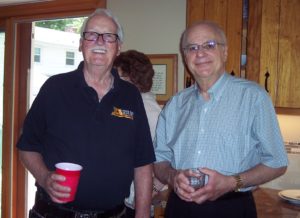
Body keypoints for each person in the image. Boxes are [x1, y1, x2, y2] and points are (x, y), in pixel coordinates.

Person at [16, 8, 155, 218]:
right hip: (54, 213)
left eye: (109, 36)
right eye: (91, 35)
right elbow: (26, 146)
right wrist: (44, 177)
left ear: (118, 47)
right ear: (81, 43)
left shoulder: (131, 95)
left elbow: (143, 162)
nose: (99, 42)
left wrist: (143, 213)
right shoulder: (54, 88)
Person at [153, 20, 288, 218]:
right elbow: (160, 159)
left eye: (209, 45)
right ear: (185, 57)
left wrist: (232, 182)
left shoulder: (253, 97)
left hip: (232, 208)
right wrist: (173, 177)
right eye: (192, 48)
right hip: (179, 208)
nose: (200, 54)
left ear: (225, 52)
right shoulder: (174, 105)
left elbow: (277, 162)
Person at [114, 50, 166, 218]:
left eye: (118, 76)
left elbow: (166, 157)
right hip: (124, 200)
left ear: (132, 78)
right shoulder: (127, 105)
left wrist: (152, 190)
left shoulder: (149, 111)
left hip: (136, 203)